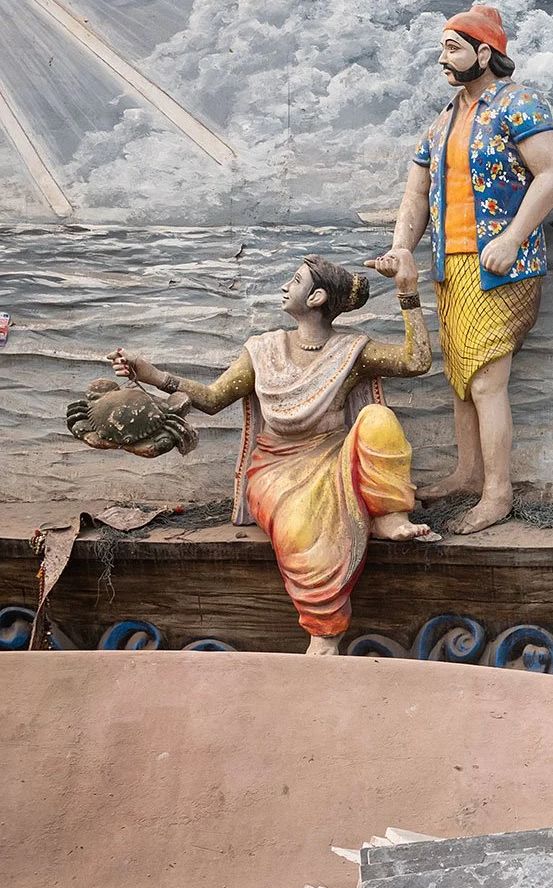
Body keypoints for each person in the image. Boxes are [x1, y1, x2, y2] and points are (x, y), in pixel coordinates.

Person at [109, 250, 439, 653]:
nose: (285, 287)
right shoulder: (263, 350)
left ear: (316, 298)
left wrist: (407, 289)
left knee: (378, 418)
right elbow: (213, 399)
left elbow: (416, 360)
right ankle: (325, 632)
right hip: (276, 470)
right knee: (299, 527)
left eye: (296, 280)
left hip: (335, 456)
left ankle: (389, 514)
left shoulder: (352, 351)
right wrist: (154, 375)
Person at [377, 5, 553, 535]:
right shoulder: (443, 121)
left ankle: (498, 493)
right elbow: (416, 192)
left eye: (453, 47)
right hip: (451, 266)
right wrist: (401, 248)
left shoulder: (518, 103)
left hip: (502, 265)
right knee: (460, 378)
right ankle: (467, 473)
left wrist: (512, 237)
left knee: (487, 381)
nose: (443, 57)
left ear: (484, 53)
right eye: (442, 47)